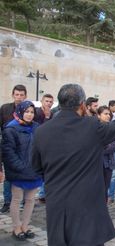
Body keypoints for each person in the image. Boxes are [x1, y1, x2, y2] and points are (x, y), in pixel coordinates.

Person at [32, 84, 115, 245]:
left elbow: (36, 167)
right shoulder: (92, 126)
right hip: (87, 204)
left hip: (57, 202)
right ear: (82, 105)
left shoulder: (41, 131)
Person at [2, 101, 42, 241]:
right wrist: (23, 168)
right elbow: (9, 153)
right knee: (17, 199)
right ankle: (16, 226)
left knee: (30, 200)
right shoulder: (10, 129)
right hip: (19, 171)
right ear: (20, 112)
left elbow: (41, 149)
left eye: (32, 112)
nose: (29, 115)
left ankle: (25, 225)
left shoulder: (37, 127)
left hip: (35, 171)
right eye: (27, 111)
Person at [0, 84, 27, 214]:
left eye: (22, 95)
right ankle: (7, 201)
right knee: (8, 176)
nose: (19, 97)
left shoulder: (29, 109)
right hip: (8, 146)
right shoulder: (5, 108)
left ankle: (20, 201)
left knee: (22, 174)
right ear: (13, 95)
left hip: (23, 147)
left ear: (25, 96)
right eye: (17, 94)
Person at [34, 93, 55, 203]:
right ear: (42, 101)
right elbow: (41, 130)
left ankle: (43, 193)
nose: (49, 103)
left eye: (51, 102)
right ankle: (41, 194)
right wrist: (46, 117)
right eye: (47, 101)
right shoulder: (36, 112)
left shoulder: (53, 113)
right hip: (37, 145)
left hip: (48, 146)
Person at [97, 106, 115, 202]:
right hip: (96, 163)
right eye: (105, 114)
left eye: (109, 114)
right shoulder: (94, 128)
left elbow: (114, 146)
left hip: (108, 163)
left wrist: (100, 149)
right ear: (98, 115)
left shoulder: (111, 128)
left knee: (105, 187)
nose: (108, 116)